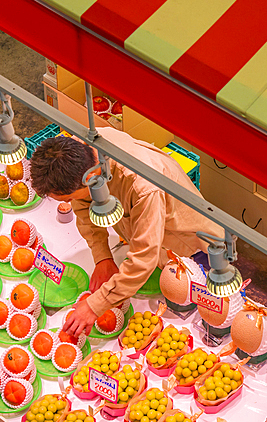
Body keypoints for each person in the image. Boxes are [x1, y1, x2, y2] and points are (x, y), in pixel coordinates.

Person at [30, 126, 221, 336]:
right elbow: (83, 205)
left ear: (92, 178)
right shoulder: (80, 154)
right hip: (143, 236)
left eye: (68, 198)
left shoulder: (144, 188)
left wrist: (96, 305)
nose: (69, 203)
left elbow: (143, 260)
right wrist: (102, 256)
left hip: (189, 245)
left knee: (199, 311)